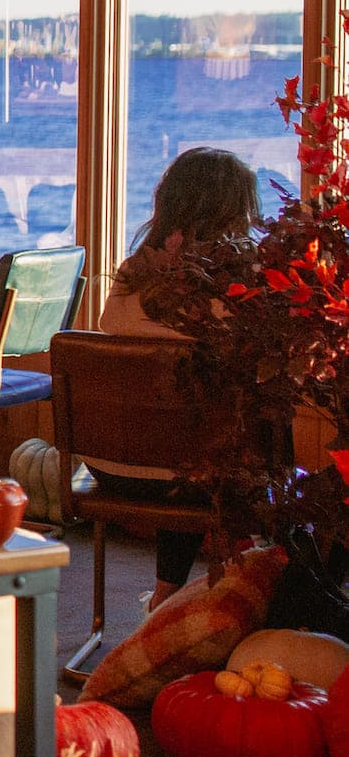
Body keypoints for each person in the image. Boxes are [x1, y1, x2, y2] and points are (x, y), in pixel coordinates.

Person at [100, 146, 263, 608]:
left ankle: (169, 594)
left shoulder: (133, 271)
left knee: (185, 442)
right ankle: (255, 573)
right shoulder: (230, 286)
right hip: (182, 472)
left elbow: (112, 329)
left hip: (108, 463)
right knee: (229, 444)